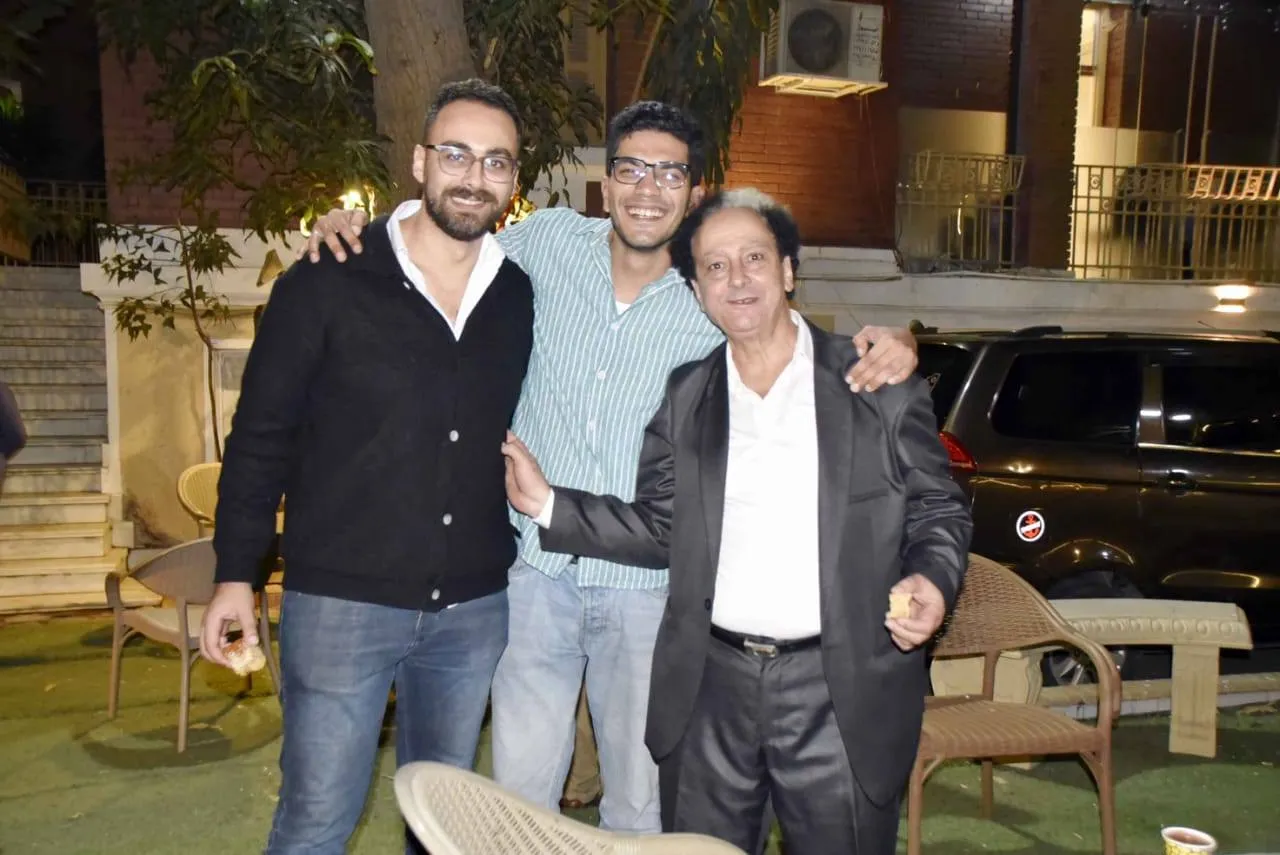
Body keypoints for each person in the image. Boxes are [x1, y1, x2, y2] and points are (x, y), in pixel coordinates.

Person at [301, 101, 921, 833]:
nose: (647, 188)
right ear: (607, 181)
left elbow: (788, 338)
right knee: (520, 802)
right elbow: (448, 239)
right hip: (535, 575)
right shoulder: (546, 242)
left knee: (641, 806)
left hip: (649, 591)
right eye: (631, 168)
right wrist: (363, 228)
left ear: (694, 190)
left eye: (669, 173)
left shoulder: (709, 291)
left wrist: (895, 342)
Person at [502, 189, 973, 855]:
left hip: (838, 694)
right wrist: (547, 504)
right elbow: (661, 528)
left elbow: (938, 506)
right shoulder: (686, 394)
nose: (737, 279)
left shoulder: (873, 382)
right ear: (698, 292)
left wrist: (932, 578)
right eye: (715, 267)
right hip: (709, 694)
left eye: (754, 258)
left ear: (788, 270)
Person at [199, 79, 534, 855]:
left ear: (514, 180)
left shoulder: (518, 292)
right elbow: (260, 436)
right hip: (339, 607)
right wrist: (235, 575)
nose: (473, 176)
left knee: (441, 826)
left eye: (495, 161)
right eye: (455, 154)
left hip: (472, 611)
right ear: (420, 161)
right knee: (316, 823)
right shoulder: (328, 275)